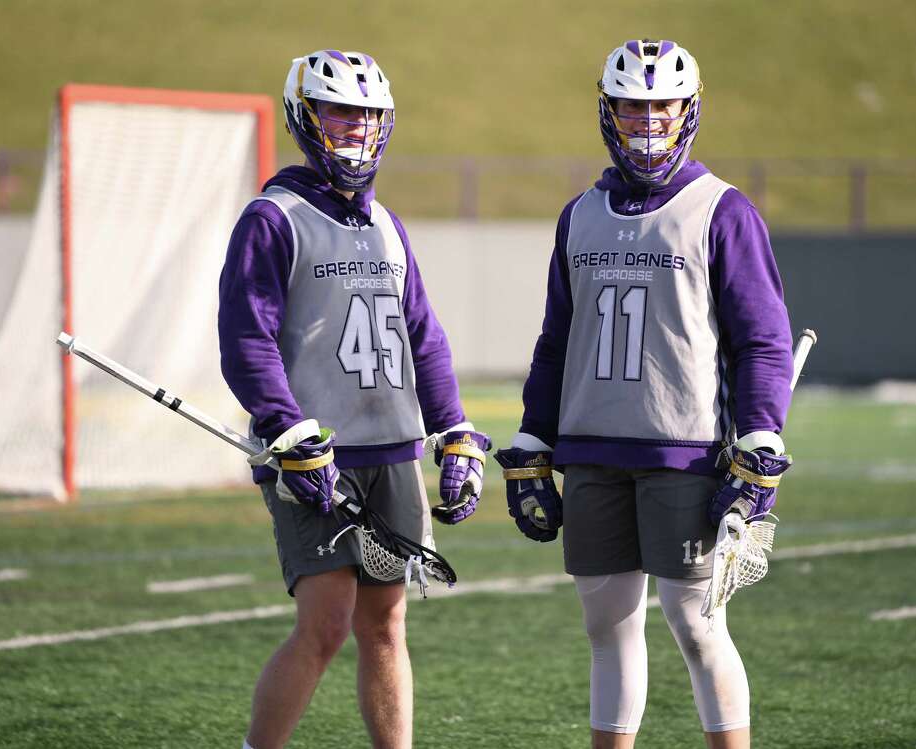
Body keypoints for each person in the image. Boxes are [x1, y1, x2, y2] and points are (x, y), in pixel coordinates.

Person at [494, 39, 793, 749]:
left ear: (687, 110)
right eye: (633, 103)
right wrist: (534, 439)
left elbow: (761, 339)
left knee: (695, 622)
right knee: (605, 622)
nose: (648, 118)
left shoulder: (721, 209)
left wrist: (759, 434)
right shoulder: (579, 214)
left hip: (682, 451)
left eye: (662, 103)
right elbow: (556, 340)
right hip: (592, 447)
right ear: (609, 110)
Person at [218, 49, 491, 749]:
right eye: (340, 112)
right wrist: (286, 431)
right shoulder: (273, 218)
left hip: (392, 451)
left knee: (384, 623)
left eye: (368, 116)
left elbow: (422, 337)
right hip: (314, 456)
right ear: (306, 117)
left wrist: (452, 429)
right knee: (325, 623)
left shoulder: (386, 225)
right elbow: (245, 338)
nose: (356, 129)